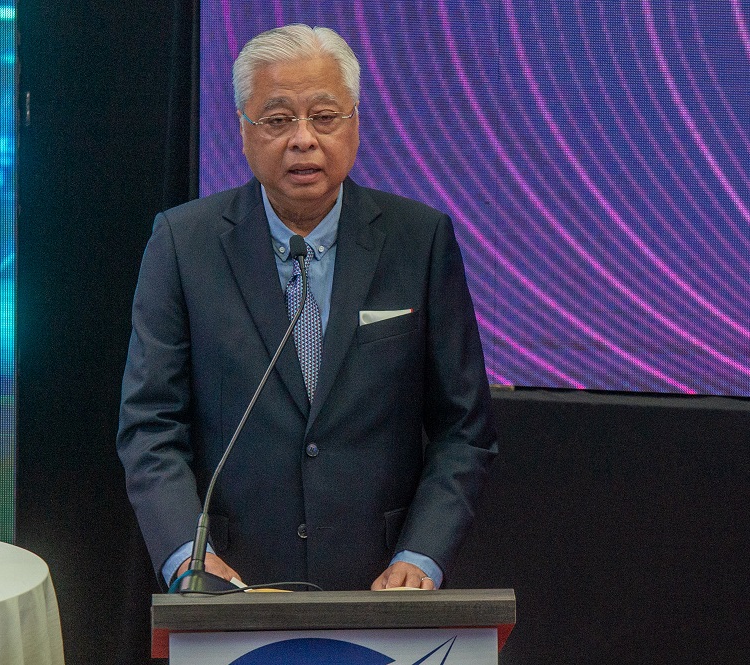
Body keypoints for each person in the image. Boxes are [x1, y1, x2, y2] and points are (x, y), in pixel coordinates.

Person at [117, 24, 497, 592]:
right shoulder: (182, 244)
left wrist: (422, 554)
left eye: (324, 116)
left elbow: (463, 428)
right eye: (277, 120)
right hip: (230, 584)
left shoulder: (420, 241)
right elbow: (150, 427)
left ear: (355, 124)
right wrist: (185, 557)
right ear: (244, 133)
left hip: (382, 585)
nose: (302, 139)